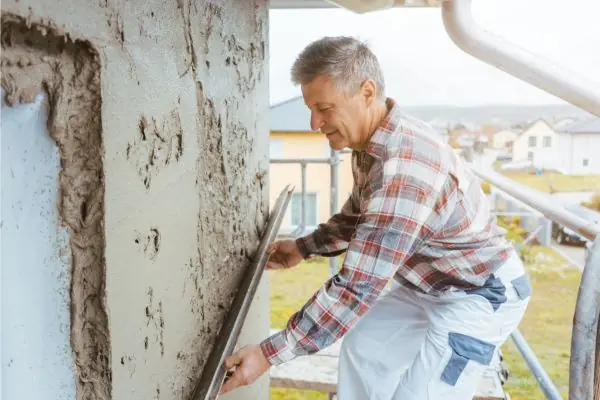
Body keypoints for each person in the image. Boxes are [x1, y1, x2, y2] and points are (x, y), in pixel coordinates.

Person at [219, 36, 531, 399]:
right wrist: (303, 248)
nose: (314, 123)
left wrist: (267, 353)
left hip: (478, 292)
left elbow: (357, 288)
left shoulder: (406, 167)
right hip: (427, 284)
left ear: (366, 92)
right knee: (364, 351)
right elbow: (359, 217)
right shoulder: (372, 145)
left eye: (324, 108)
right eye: (311, 109)